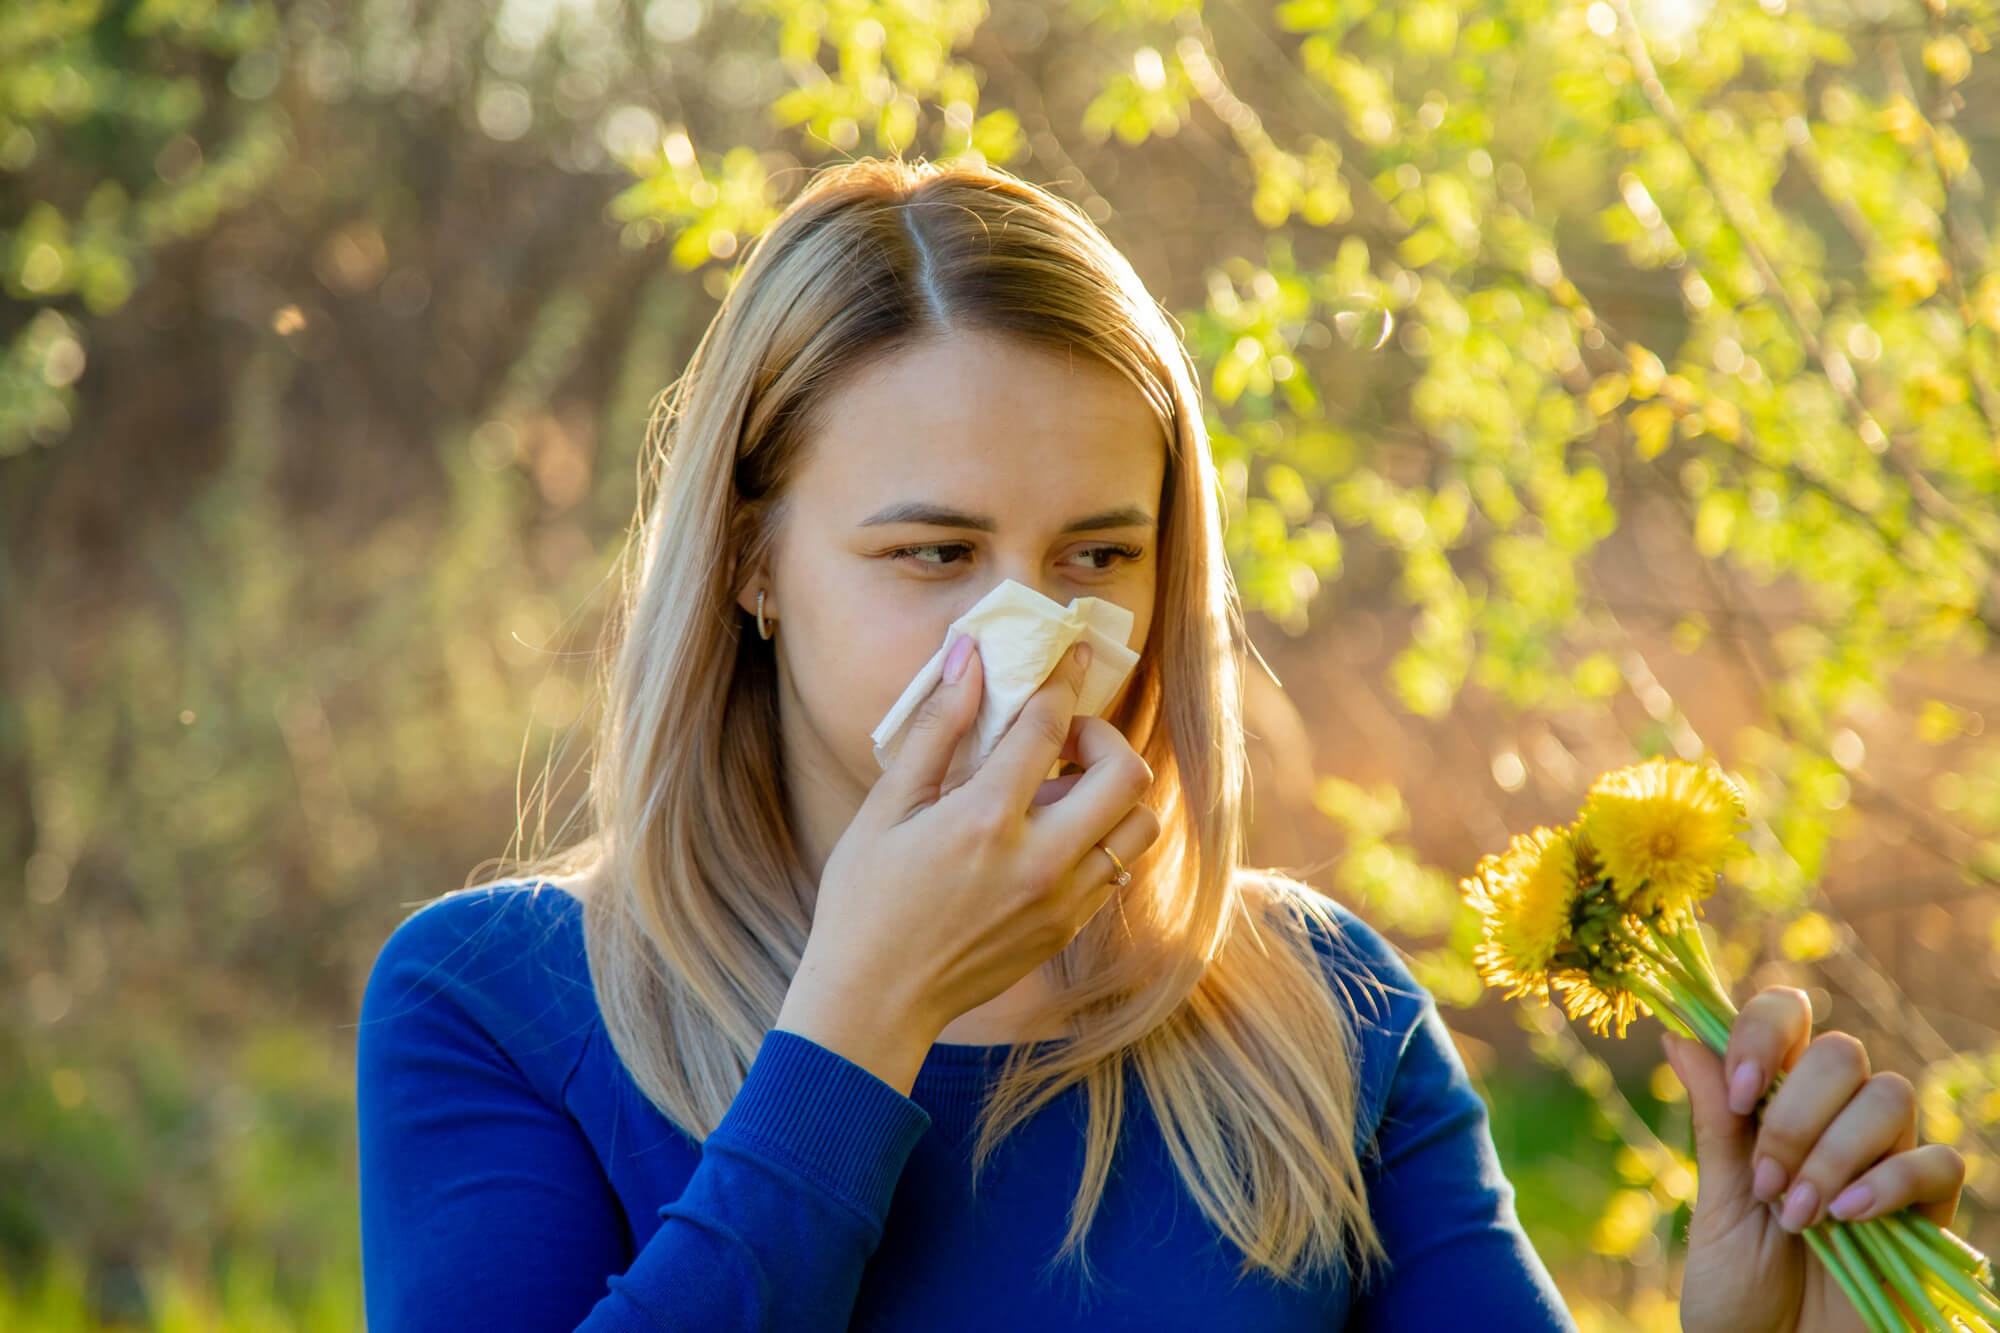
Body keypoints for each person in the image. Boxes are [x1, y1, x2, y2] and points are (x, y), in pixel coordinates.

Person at [353, 157, 1965, 1331]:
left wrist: (1760, 1330)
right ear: (754, 561)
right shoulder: (499, 1007)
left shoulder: (1313, 1015)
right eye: (933, 554)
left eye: (1097, 557)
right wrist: (858, 1024)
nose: (1038, 636)